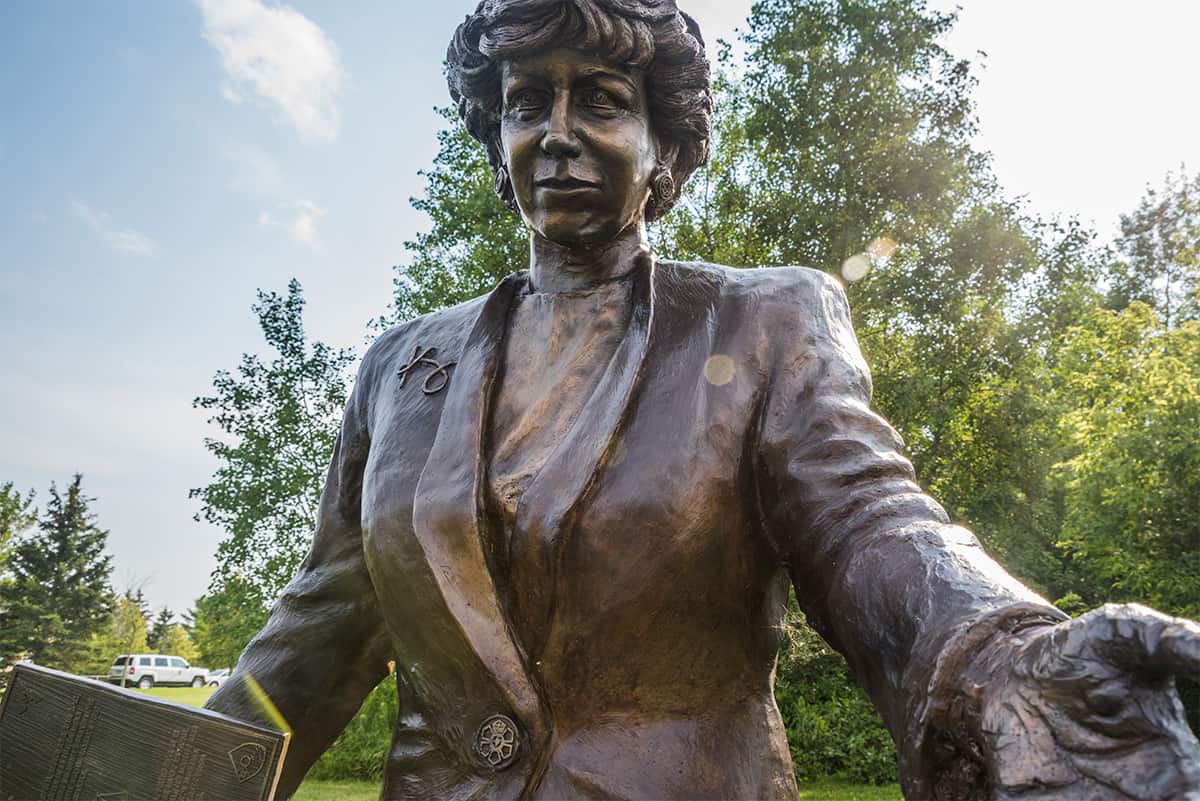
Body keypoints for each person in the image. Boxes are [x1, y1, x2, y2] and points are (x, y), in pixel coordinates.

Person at [206, 1, 1200, 799]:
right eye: (526, 102)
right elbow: (317, 634)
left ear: (664, 146)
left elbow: (869, 523)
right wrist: (170, 772)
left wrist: (1002, 653)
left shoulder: (765, 321)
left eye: (601, 101)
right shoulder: (399, 367)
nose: (556, 133)